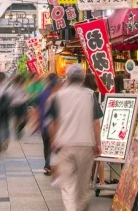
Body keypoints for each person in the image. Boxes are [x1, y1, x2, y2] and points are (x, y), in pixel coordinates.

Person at [47, 65, 102, 211]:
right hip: (86, 145)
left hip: (64, 145)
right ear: (83, 79)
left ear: (67, 79)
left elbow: (53, 123)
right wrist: (98, 143)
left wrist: (53, 141)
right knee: (83, 186)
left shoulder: (58, 96)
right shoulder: (91, 95)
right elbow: (96, 122)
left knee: (68, 187)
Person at [35, 74, 59, 174]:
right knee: (55, 146)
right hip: (55, 125)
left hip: (44, 124)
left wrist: (36, 123)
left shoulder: (41, 93)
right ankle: (49, 165)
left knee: (46, 145)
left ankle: (48, 165)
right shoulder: (59, 94)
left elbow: (37, 110)